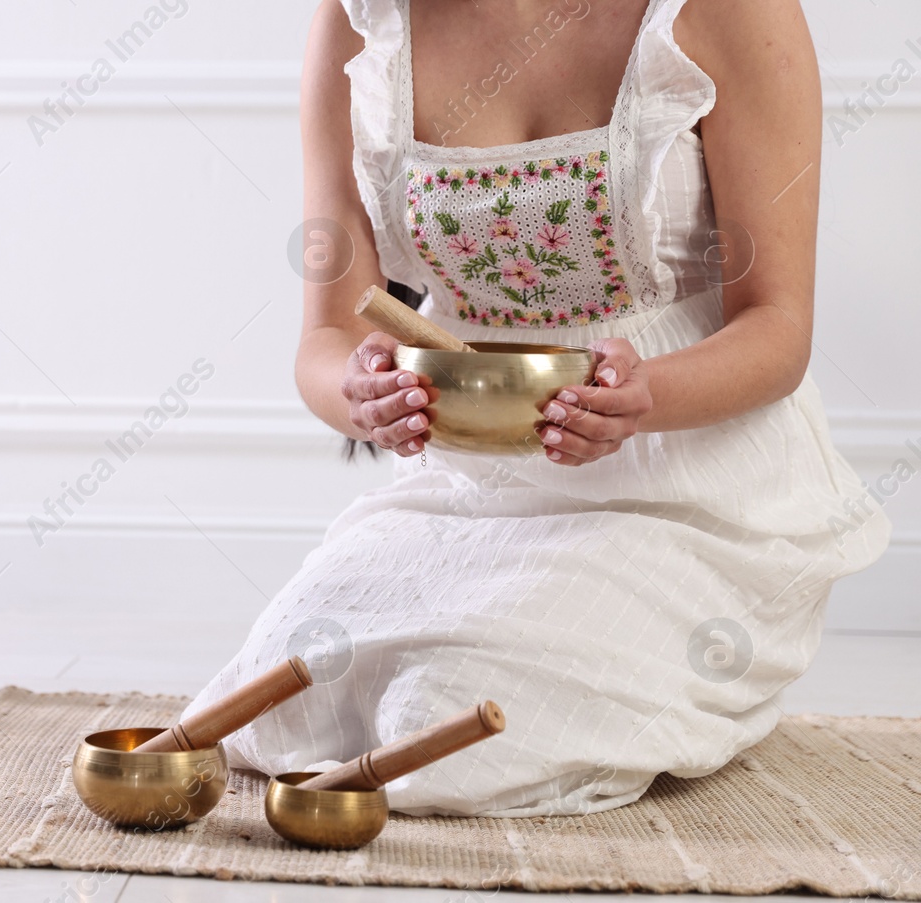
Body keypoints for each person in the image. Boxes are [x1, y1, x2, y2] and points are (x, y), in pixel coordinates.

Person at [182, 0, 890, 816]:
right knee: (284, 702)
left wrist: (647, 395)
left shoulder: (729, 12)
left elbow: (779, 328)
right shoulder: (361, 19)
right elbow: (327, 337)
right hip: (468, 493)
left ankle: (703, 686)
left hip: (686, 493)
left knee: (445, 720)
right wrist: (359, 393)